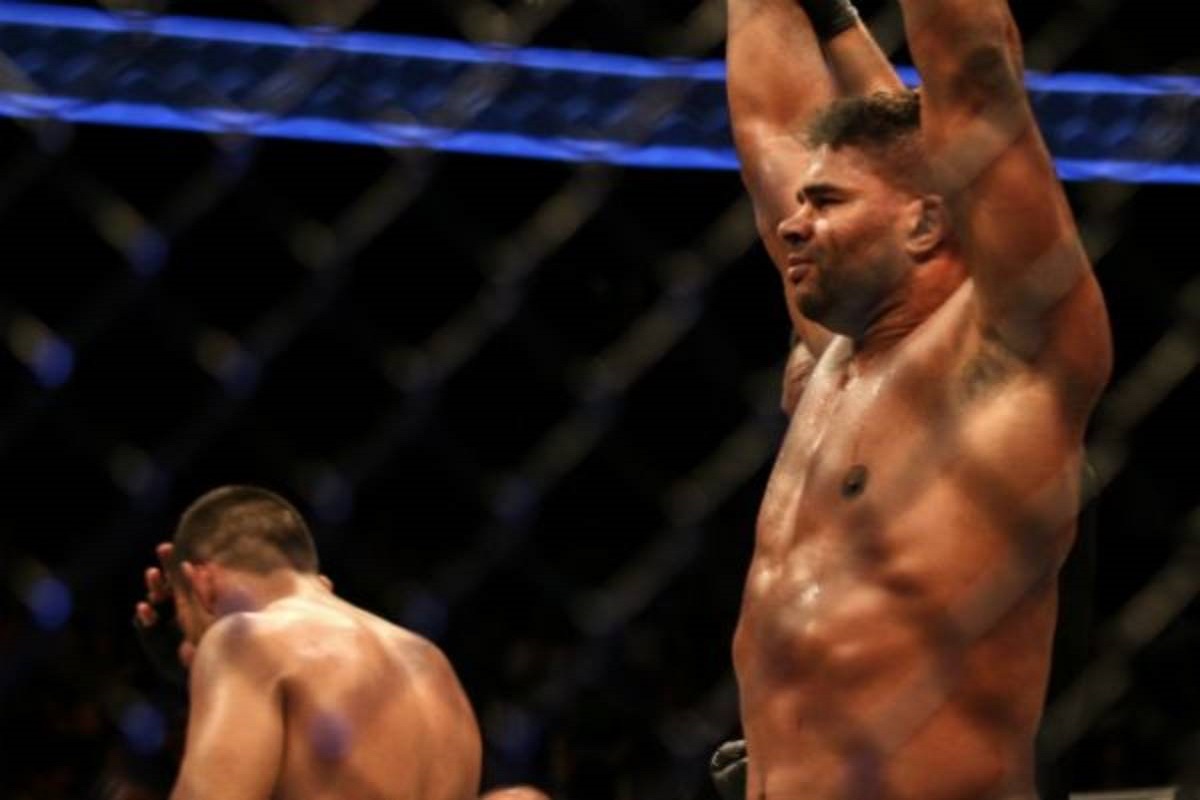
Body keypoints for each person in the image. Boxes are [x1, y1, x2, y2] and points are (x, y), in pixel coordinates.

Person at [713, 0, 1112, 797]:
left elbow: (972, 68)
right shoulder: (835, 368)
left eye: (826, 203)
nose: (792, 224)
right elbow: (771, 136)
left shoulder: (1010, 353)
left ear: (927, 225)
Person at [133, 485, 484, 800]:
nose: (193, 645)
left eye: (185, 625)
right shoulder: (431, 662)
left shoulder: (245, 639)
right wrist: (192, 677)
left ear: (202, 583)